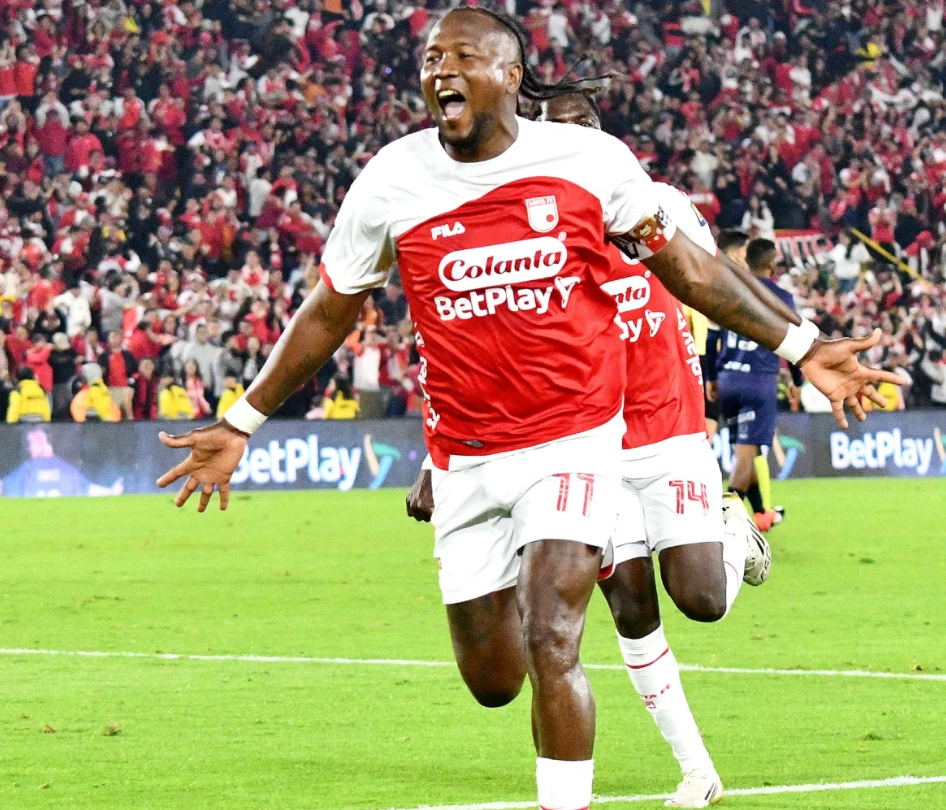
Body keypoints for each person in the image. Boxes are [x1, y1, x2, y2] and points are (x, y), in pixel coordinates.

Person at [156, 10, 901, 810]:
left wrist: (803, 346)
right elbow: (330, 311)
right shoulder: (391, 181)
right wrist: (242, 420)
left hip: (577, 440)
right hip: (467, 457)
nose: (441, 69)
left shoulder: (592, 165)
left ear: (511, 76)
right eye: (431, 57)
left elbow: (693, 270)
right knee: (495, 680)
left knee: (556, 635)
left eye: (462, 56)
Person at [408, 93, 766, 807]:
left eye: (584, 129)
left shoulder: (656, 201)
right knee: (631, 610)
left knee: (700, 599)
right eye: (557, 130)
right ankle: (698, 770)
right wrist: (432, 457)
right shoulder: (524, 218)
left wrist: (775, 347)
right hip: (581, 443)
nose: (570, 141)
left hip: (668, 428)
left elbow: (708, 279)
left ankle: (735, 532)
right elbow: (487, 344)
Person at [709, 239, 802, 532]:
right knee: (744, 458)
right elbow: (795, 342)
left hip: (728, 379)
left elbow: (712, 336)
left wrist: (711, 376)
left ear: (747, 261)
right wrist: (797, 381)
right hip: (758, 382)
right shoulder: (782, 297)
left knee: (746, 455)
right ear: (772, 264)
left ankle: (761, 514)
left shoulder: (731, 288)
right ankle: (723, 523)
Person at [692, 230, 750, 442]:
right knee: (712, 416)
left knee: (706, 416)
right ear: (735, 254)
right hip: (713, 358)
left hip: (698, 355)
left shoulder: (699, 274)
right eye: (746, 252)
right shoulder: (729, 281)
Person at [99, 330, 137, 420]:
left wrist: (131, 385)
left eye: (117, 336)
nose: (115, 339)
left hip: (126, 389)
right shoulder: (103, 357)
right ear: (108, 339)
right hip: (110, 389)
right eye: (113, 337)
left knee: (128, 398)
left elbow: (134, 372)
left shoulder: (128, 355)